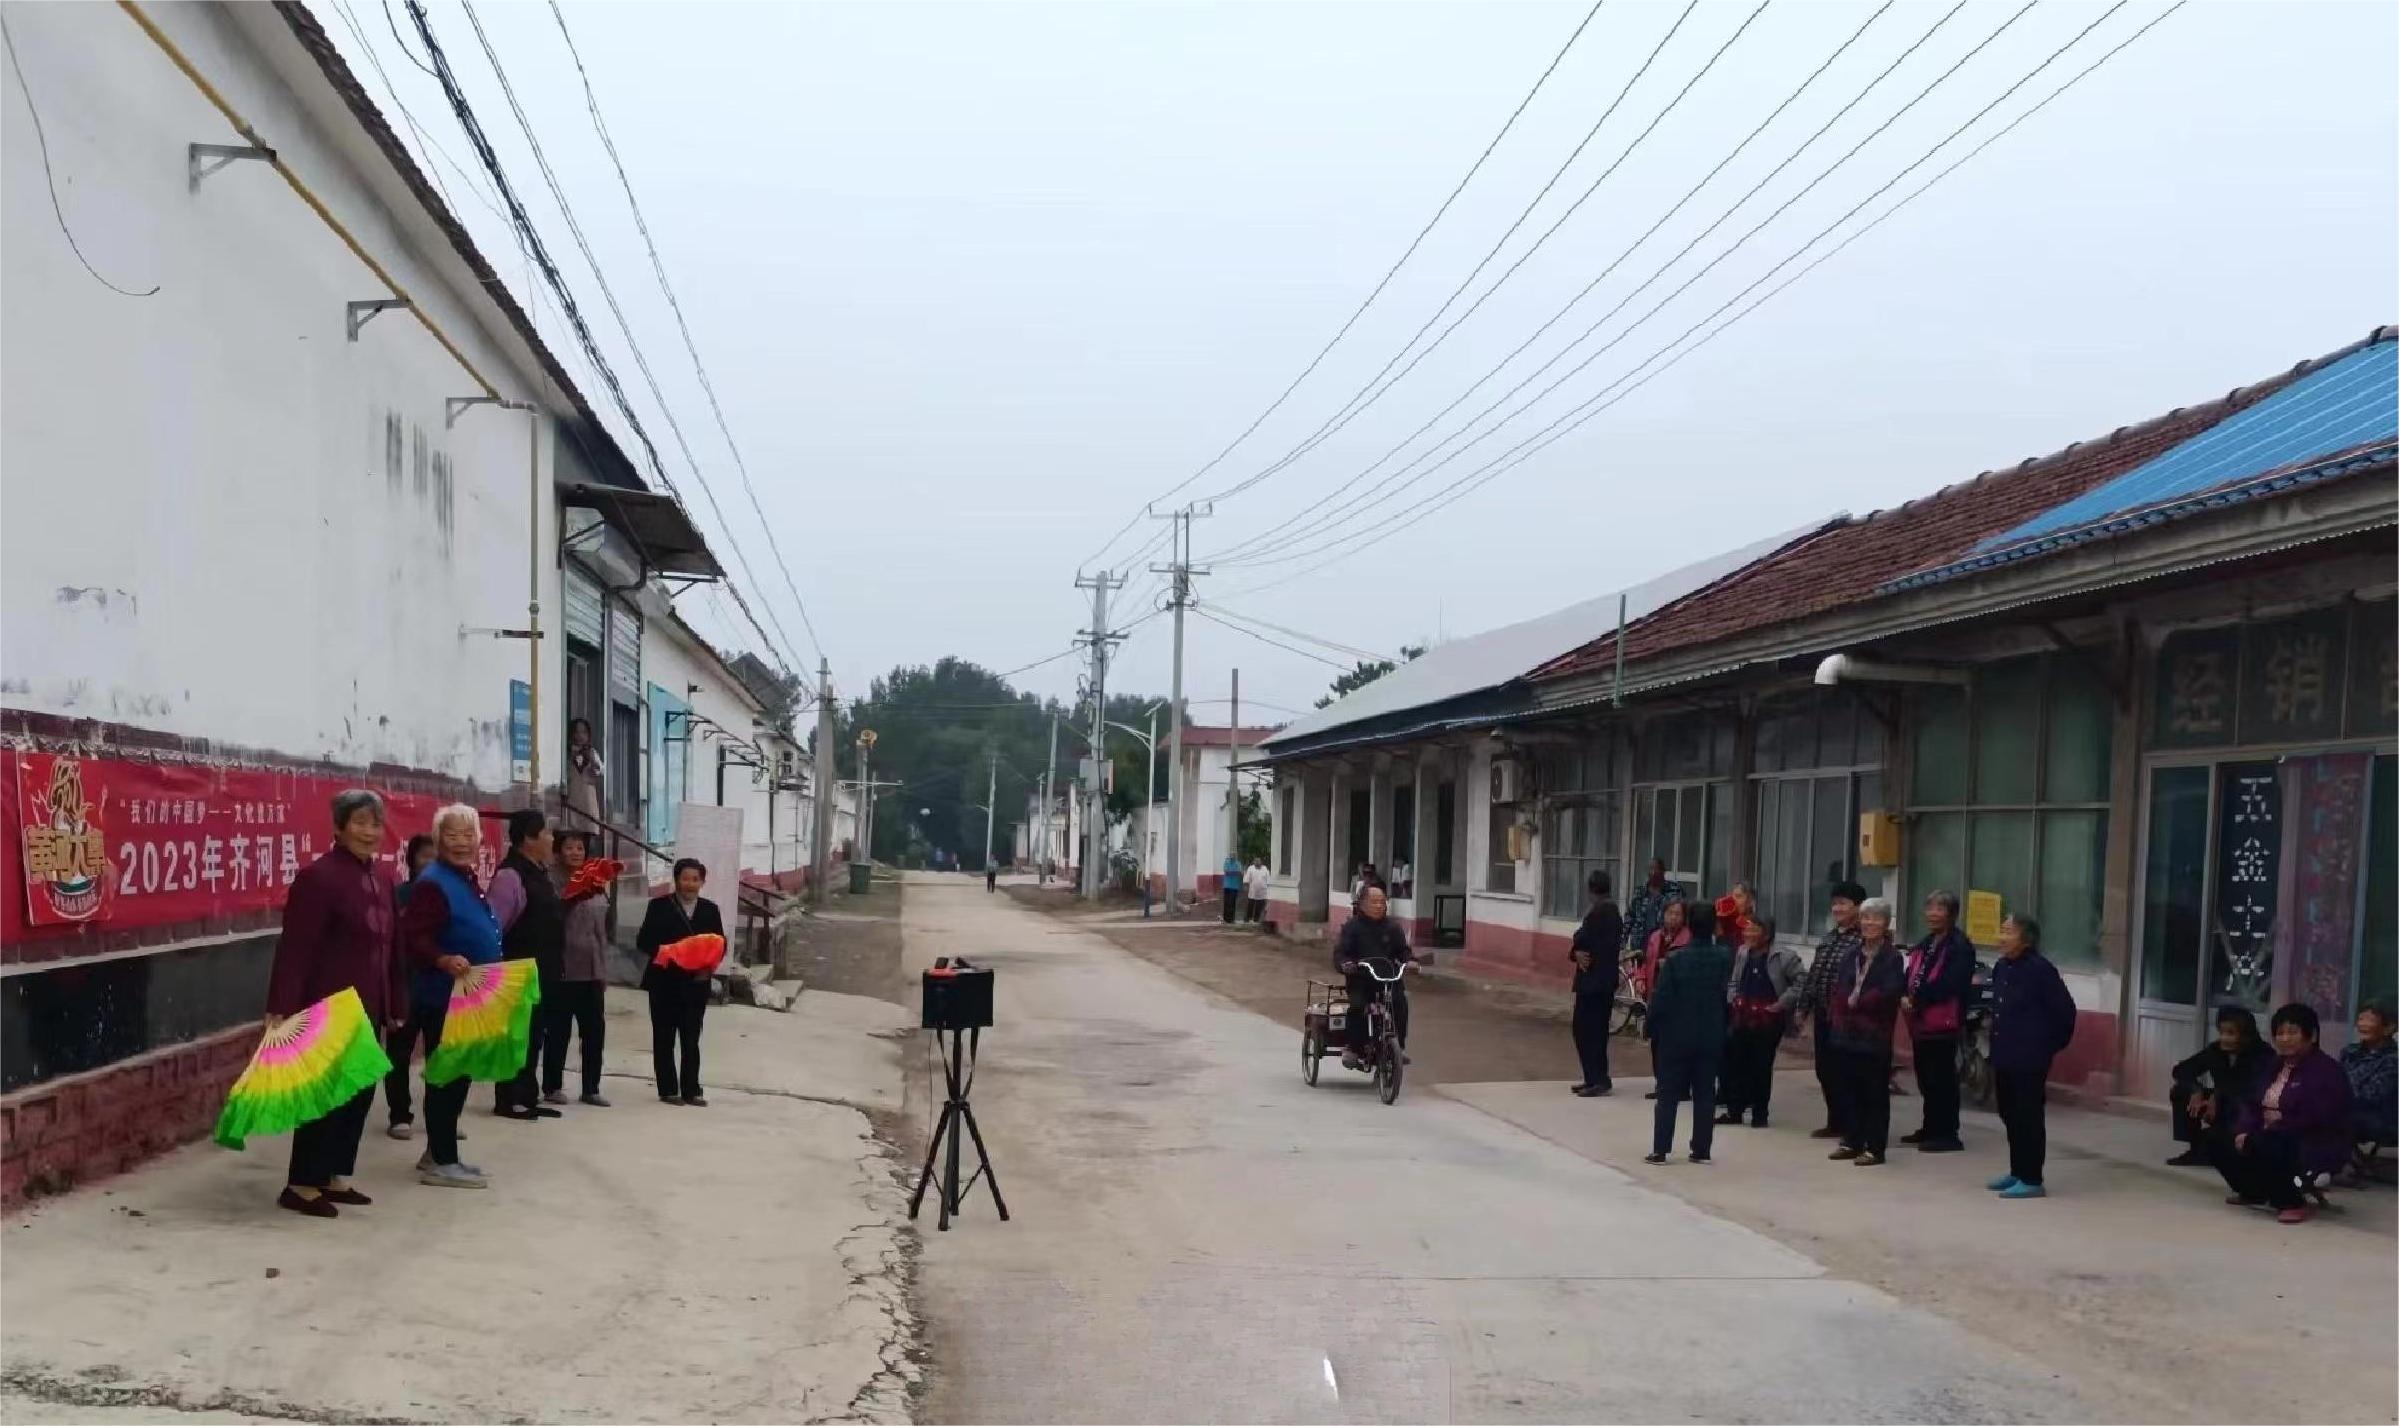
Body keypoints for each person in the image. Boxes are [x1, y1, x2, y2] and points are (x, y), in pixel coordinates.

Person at [265, 790, 403, 1217]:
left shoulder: (381, 879)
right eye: (359, 822)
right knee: (324, 1096)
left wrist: (396, 1002)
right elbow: (296, 949)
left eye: (375, 824)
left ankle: (335, 1174)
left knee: (359, 1092)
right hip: (328, 1006)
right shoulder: (319, 878)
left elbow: (392, 947)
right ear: (339, 828)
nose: (369, 832)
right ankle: (302, 1183)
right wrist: (281, 1006)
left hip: (371, 1004)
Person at [399, 804, 503, 1189]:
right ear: (438, 840)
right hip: (443, 995)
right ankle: (443, 1160)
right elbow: (413, 936)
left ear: (479, 840)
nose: (461, 842)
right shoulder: (433, 882)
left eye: (468, 835)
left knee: (458, 1075)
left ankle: (437, 1153)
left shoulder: (464, 877)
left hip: (469, 996)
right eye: (452, 835)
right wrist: (442, 958)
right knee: (446, 1076)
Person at [2217, 1003, 2355, 1224]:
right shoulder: (2275, 1065)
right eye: (2280, 1033)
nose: (2285, 1038)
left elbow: (2316, 1117)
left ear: (2311, 1036)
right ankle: (2254, 1191)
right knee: (2217, 1138)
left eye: (2292, 1032)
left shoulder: (2326, 1071)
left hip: (2313, 1140)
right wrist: (2244, 1129)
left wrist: (2267, 1131)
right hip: (2269, 1133)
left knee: (2269, 1143)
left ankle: (2291, 1201)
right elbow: (2253, 1103)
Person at [1985, 913, 2078, 1199]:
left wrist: (2046, 1046)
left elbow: (2065, 1013)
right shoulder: (2002, 966)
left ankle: (2032, 1177)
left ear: (2026, 939)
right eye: (2001, 930)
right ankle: (2017, 1171)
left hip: (2030, 1058)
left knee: (2028, 1116)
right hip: (2004, 1053)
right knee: (2009, 1113)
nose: (2002, 937)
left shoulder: (2040, 970)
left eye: (2008, 932)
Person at [486, 809, 562, 1122]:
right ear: (529, 838)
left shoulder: (539, 872)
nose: (552, 839)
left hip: (542, 970)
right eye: (547, 833)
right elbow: (494, 927)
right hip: (517, 971)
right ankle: (509, 1098)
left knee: (535, 1035)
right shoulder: (510, 876)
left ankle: (527, 1096)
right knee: (516, 1036)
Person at [1644, 901, 1733, 1165]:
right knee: (1705, 1093)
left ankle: (1661, 1149)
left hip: (1676, 1035)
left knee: (1668, 1093)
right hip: (1710, 1034)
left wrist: (1650, 1025)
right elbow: (1725, 994)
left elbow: (1662, 997)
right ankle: (1701, 1149)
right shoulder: (1723, 957)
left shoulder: (1676, 960)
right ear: (1713, 925)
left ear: (1689, 926)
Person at [1828, 897, 1907, 1165]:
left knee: (1874, 1092)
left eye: (1876, 918)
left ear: (1886, 924)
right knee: (1848, 1088)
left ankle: (1875, 1147)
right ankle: (1851, 1140)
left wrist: (1862, 1002)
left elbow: (1890, 992)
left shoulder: (1892, 957)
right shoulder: (1853, 953)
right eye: (1865, 918)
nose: (1869, 923)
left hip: (1874, 1034)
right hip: (1848, 1032)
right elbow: (1840, 986)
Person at [639, 858, 724, 1106]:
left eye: (695, 879)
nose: (689, 884)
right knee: (664, 1037)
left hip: (695, 983)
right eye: (685, 879)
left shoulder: (710, 910)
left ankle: (691, 1089)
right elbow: (643, 941)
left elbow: (720, 944)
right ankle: (668, 1089)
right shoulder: (659, 906)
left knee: (691, 1038)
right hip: (664, 982)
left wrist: (706, 966)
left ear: (702, 882)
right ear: (676, 880)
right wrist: (672, 953)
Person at [1901, 889, 1974, 1153]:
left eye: (1939, 909)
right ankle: (1930, 1126)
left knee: (1942, 1078)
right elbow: (1912, 971)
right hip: (1921, 1021)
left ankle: (1947, 1133)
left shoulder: (1959, 946)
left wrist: (1919, 998)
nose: (1932, 914)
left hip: (1943, 1021)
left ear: (1951, 914)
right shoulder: (1927, 942)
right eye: (1929, 908)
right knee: (1925, 1077)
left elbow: (1951, 983)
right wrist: (1904, 993)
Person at [543, 831, 611, 1108]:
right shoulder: (551, 880)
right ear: (558, 851)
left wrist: (604, 970)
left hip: (593, 969)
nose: (575, 852)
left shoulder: (596, 880)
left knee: (594, 1032)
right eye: (569, 848)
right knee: (559, 1031)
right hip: (563, 968)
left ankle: (591, 1088)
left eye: (580, 848)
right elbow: (551, 918)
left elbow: (602, 929)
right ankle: (552, 1086)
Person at [1717, 915, 1803, 1129]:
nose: (1749, 934)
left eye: (1755, 930)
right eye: (1748, 929)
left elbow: (1802, 981)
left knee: (1761, 1065)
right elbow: (1735, 980)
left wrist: (1781, 1004)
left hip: (1768, 1018)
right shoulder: (1743, 952)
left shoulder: (1784, 957)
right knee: (1736, 1063)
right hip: (1742, 1014)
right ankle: (1734, 1111)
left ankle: (1759, 1113)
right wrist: (1733, 997)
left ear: (1767, 934)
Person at [1801, 881, 1867, 1140]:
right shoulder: (1830, 937)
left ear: (1858, 907)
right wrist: (1803, 1007)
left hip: (1848, 1017)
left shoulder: (1863, 938)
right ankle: (1836, 1120)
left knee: (1846, 1070)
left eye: (1843, 903)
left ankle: (1854, 1125)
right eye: (1835, 903)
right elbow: (1815, 974)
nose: (1837, 908)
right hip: (1823, 1012)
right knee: (1825, 1069)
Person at [2165, 1007, 2272, 1167]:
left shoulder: (2263, 1054)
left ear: (2245, 1035)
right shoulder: (2216, 1050)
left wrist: (2218, 1096)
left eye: (2230, 1033)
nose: (2224, 1038)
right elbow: (2182, 1069)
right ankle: (2195, 1150)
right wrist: (2196, 1089)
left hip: (2247, 1110)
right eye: (2221, 1032)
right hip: (2220, 1103)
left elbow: (2252, 1089)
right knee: (2180, 1091)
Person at [384, 834, 438, 1141]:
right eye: (423, 857)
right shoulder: (399, 896)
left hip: (439, 987)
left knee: (441, 1056)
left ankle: (441, 1118)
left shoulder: (448, 895)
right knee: (399, 1054)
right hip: (405, 986)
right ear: (411, 861)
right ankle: (399, 1114)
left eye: (435, 857)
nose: (429, 863)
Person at [1333, 885, 1413, 1068]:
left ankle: (1398, 1047)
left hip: (1388, 979)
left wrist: (1410, 961)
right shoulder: (1352, 927)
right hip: (1361, 979)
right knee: (1358, 1006)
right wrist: (1345, 964)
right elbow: (1341, 953)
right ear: (1362, 904)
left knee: (1400, 1002)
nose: (1379, 905)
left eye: (1382, 902)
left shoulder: (1393, 927)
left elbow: (1403, 952)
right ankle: (1354, 1048)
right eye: (1374, 902)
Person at [1569, 869, 1623, 1098]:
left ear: (1591, 890)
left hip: (1594, 982)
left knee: (1588, 1030)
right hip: (1600, 981)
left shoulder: (1600, 913)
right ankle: (1593, 1077)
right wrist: (1576, 953)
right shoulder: (1610, 911)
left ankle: (1598, 1078)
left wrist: (1576, 950)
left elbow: (1581, 937)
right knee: (1592, 1030)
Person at [1639, 898, 1694, 1100]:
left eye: (1678, 913)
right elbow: (1647, 962)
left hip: (1678, 1001)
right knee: (1657, 1043)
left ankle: (1679, 1087)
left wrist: (1669, 963)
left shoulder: (1689, 939)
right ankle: (1662, 1083)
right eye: (1670, 912)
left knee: (1677, 1045)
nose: (1673, 917)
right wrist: (1641, 979)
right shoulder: (1655, 937)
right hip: (1656, 997)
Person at [2342, 1000, 2396, 1156]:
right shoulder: (2349, 1052)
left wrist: (2336, 1094)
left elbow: (2372, 1095)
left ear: (2389, 1028)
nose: (2363, 1024)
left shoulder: (2393, 1061)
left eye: (2370, 1020)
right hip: (2347, 1109)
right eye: (2360, 1019)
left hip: (2380, 1118)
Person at [1622, 859, 1675, 969]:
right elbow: (1630, 917)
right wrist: (1622, 942)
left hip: (1663, 946)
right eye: (1650, 869)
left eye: (1656, 869)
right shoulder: (1640, 892)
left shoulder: (1673, 891)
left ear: (1663, 872)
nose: (1653, 872)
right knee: (1640, 979)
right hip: (1640, 946)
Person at [565, 716, 604, 826]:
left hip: (587, 799)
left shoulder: (592, 752)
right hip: (573, 796)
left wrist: (592, 760)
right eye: (576, 732)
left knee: (587, 827)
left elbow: (599, 770)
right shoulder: (566, 753)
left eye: (584, 732)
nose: (580, 736)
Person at [1244, 857, 1270, 923]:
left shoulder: (1265, 868)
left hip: (1262, 891)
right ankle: (1248, 918)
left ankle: (1256, 919)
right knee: (1250, 905)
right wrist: (1246, 885)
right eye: (1256, 861)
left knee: (1259, 906)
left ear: (1261, 862)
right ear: (1254, 862)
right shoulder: (1250, 868)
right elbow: (1247, 878)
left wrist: (1268, 888)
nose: (1257, 862)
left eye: (1258, 861)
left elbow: (1268, 879)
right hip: (1253, 890)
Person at [1221, 853, 1243, 922]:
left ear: (1236, 857)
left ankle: (1231, 919)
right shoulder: (1226, 862)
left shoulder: (1238, 863)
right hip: (1227, 886)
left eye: (1233, 856)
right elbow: (1226, 872)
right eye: (1231, 856)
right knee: (1226, 903)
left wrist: (1232, 872)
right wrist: (1235, 873)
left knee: (1232, 903)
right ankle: (1225, 919)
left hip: (1234, 886)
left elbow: (1239, 873)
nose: (1232, 857)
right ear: (1229, 856)